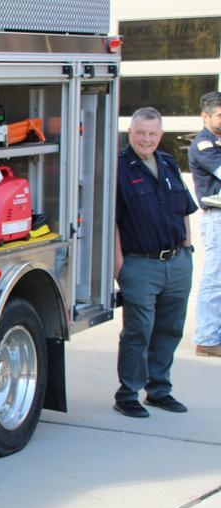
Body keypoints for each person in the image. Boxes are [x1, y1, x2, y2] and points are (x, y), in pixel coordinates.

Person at [113, 107, 197, 418]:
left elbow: (184, 210)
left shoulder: (168, 163)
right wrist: (119, 266)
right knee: (139, 331)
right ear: (130, 134)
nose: (146, 139)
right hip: (139, 265)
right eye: (140, 133)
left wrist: (187, 250)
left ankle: (159, 391)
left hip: (177, 262)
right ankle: (128, 394)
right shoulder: (119, 168)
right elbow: (112, 223)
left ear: (160, 135)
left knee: (170, 328)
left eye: (152, 133)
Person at [188, 91, 221, 358]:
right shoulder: (204, 146)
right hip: (216, 218)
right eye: (220, 114)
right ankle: (207, 339)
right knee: (215, 279)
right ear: (205, 116)